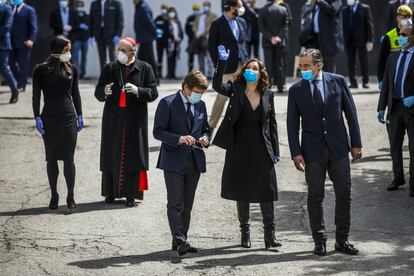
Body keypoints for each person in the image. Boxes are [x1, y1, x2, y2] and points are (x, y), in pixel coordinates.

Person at [287, 48, 362, 256]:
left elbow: (351, 114)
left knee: (344, 194)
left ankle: (342, 240)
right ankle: (319, 240)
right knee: (315, 196)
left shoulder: (338, 81)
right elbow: (292, 124)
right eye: (301, 66)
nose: (303, 70)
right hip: (312, 151)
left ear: (318, 65)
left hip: (338, 148)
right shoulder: (296, 90)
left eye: (306, 66)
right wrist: (295, 152)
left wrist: (356, 143)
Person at [212, 45, 281, 249]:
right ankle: (245, 234)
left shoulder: (268, 94)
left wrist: (276, 150)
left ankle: (270, 236)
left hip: (262, 146)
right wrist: (221, 63)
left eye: (255, 68)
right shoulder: (235, 89)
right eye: (249, 68)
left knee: (266, 189)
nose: (252, 71)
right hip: (239, 145)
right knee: (242, 190)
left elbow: (273, 123)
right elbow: (217, 85)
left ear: (261, 73)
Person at [94, 37, 158, 207]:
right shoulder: (110, 68)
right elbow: (98, 92)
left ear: (132, 52)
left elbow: (153, 92)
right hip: (113, 120)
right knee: (110, 155)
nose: (119, 53)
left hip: (134, 120)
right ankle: (110, 193)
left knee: (133, 157)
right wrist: (104, 91)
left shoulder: (145, 68)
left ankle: (131, 195)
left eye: (123, 50)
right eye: (118, 50)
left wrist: (139, 91)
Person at [153, 71, 210, 256]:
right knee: (175, 203)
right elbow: (158, 132)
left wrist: (205, 138)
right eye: (196, 91)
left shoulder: (201, 105)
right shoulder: (167, 103)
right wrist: (178, 138)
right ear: (186, 86)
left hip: (194, 161)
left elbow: (206, 129)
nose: (199, 96)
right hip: (173, 161)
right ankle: (181, 240)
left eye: (202, 93)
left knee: (187, 205)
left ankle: (178, 240)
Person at [32, 35, 83, 210]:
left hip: (68, 118)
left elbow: (75, 94)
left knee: (69, 159)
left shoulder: (72, 69)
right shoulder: (40, 70)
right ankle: (54, 194)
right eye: (66, 49)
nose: (69, 52)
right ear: (58, 50)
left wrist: (80, 115)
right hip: (49, 119)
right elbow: (36, 95)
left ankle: (70, 195)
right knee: (51, 158)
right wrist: (36, 116)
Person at [377, 24, 414, 197]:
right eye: (400, 34)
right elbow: (386, 85)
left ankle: (413, 183)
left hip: (411, 108)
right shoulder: (393, 58)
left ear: (413, 37)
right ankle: (398, 177)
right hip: (395, 108)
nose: (400, 37)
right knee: (394, 146)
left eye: (404, 34)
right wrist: (380, 107)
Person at [208, 0, 249, 135]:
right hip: (226, 67)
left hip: (242, 65)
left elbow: (243, 44)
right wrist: (219, 65)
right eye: (240, 6)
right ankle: (211, 127)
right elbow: (211, 46)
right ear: (231, 7)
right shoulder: (217, 24)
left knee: (244, 95)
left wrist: (247, 61)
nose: (242, 9)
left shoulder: (242, 22)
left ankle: (240, 127)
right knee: (222, 97)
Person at [258, 0, 289, 93]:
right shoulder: (283, 9)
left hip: (267, 42)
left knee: (268, 64)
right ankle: (280, 86)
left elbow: (260, 26)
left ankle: (268, 86)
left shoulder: (262, 10)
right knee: (279, 64)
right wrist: (279, 37)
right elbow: (286, 25)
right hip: (280, 42)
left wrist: (270, 37)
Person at [377, 5, 412, 87]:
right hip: (393, 77)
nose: (406, 20)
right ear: (397, 18)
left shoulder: (412, 35)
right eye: (403, 17)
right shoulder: (389, 36)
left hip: (409, 78)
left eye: (408, 17)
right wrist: (381, 79)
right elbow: (382, 60)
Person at [342, 0, 374, 89]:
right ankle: (353, 82)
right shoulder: (345, 9)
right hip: (349, 41)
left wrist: (370, 40)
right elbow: (343, 26)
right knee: (351, 62)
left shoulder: (365, 8)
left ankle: (365, 82)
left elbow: (369, 25)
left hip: (362, 40)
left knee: (364, 61)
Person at [10, 0, 38, 93]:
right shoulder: (10, 8)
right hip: (11, 42)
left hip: (24, 42)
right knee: (10, 63)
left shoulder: (29, 10)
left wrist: (31, 39)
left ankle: (22, 85)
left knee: (23, 65)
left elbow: (34, 26)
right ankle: (19, 80)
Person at [309, 0, 343, 73]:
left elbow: (332, 10)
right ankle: (322, 83)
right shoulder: (317, 3)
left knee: (329, 63)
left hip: (329, 39)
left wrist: (320, 2)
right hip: (318, 38)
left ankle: (330, 83)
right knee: (319, 63)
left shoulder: (336, 1)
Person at [89, 0, 124, 71]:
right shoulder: (94, 4)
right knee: (102, 59)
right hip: (99, 34)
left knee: (112, 57)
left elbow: (120, 20)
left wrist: (118, 34)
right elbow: (91, 21)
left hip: (112, 35)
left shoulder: (115, 3)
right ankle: (104, 78)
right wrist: (90, 35)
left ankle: (114, 77)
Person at [133, 0, 158, 84]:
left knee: (149, 60)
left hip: (146, 38)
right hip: (143, 38)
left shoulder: (143, 7)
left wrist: (155, 33)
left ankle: (154, 80)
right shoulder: (139, 7)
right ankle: (143, 80)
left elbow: (149, 22)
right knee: (142, 60)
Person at [0, 2, 19, 103]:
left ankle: (14, 90)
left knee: (3, 67)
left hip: (2, 44)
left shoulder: (6, 8)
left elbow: (7, 26)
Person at [192, 1, 217, 78]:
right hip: (198, 38)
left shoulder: (213, 16)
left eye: (206, 6)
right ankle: (202, 73)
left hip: (207, 38)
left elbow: (211, 26)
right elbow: (194, 25)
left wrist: (203, 32)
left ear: (209, 6)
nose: (205, 7)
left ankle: (210, 74)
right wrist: (196, 32)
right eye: (204, 6)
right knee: (200, 56)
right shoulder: (199, 16)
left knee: (209, 56)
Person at [70, 0, 89, 79]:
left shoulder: (86, 15)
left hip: (85, 39)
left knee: (84, 57)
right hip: (76, 39)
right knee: (75, 57)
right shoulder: (73, 15)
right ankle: (75, 73)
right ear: (76, 6)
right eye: (78, 6)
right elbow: (71, 25)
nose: (80, 7)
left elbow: (90, 26)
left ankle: (83, 73)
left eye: (81, 5)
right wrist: (78, 26)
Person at [166, 7, 183, 80]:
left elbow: (181, 32)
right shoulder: (167, 22)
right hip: (170, 43)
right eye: (170, 12)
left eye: (173, 12)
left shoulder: (177, 22)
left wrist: (180, 38)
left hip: (177, 43)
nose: (172, 14)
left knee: (174, 58)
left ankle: (173, 74)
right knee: (170, 58)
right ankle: (170, 74)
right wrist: (173, 38)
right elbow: (166, 32)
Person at [154, 4, 170, 79]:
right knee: (159, 58)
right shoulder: (158, 18)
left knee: (169, 58)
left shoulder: (169, 19)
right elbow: (153, 27)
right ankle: (159, 74)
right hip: (159, 42)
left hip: (167, 42)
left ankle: (170, 74)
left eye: (165, 9)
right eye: (162, 8)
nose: (163, 10)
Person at [185, 4, 200, 73]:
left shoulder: (201, 18)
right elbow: (186, 29)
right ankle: (190, 70)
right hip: (191, 40)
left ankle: (202, 70)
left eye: (197, 10)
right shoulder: (189, 18)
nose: (196, 11)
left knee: (201, 56)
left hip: (199, 40)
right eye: (195, 9)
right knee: (191, 56)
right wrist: (191, 35)